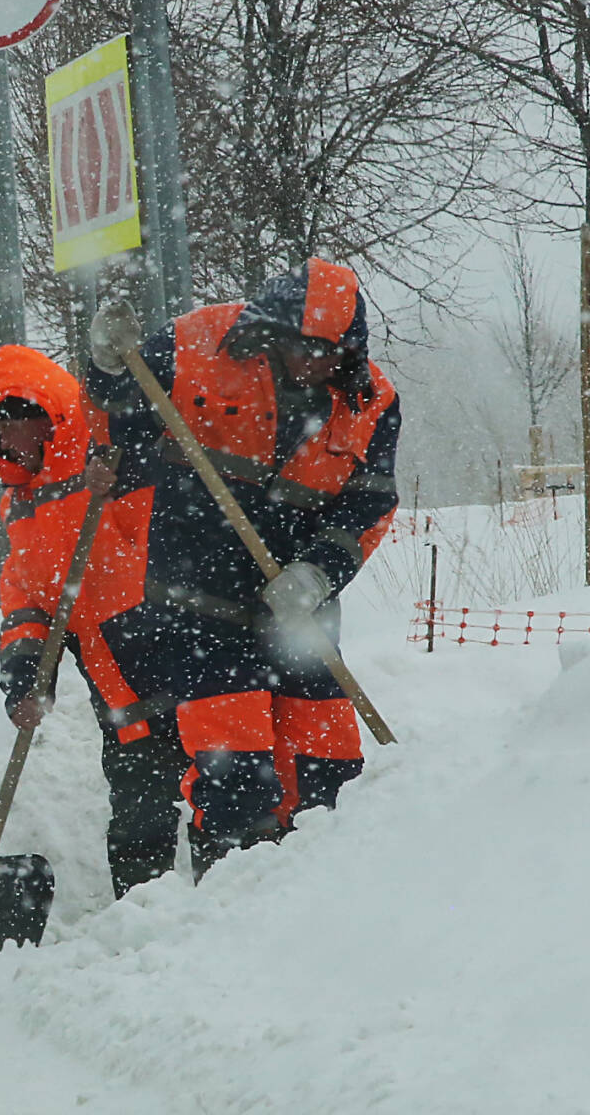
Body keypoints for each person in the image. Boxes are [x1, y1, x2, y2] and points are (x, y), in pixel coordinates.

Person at [84, 257, 401, 876]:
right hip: (198, 606)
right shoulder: (196, 344)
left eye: (329, 353)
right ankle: (228, 896)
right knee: (235, 773)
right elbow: (124, 413)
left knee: (329, 765)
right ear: (273, 329)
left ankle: (334, 891)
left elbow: (370, 504)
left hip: (300, 612)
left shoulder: (373, 402)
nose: (313, 363)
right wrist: (106, 367)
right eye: (302, 347)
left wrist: (318, 572)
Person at [0, 343, 189, 898]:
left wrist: (125, 473)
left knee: (227, 789)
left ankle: (234, 907)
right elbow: (25, 599)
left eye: (10, 425)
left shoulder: (107, 446)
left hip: (179, 653)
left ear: (42, 412)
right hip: (115, 683)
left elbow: (179, 483)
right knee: (137, 807)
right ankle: (144, 918)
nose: (5, 442)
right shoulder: (18, 503)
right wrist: (24, 680)